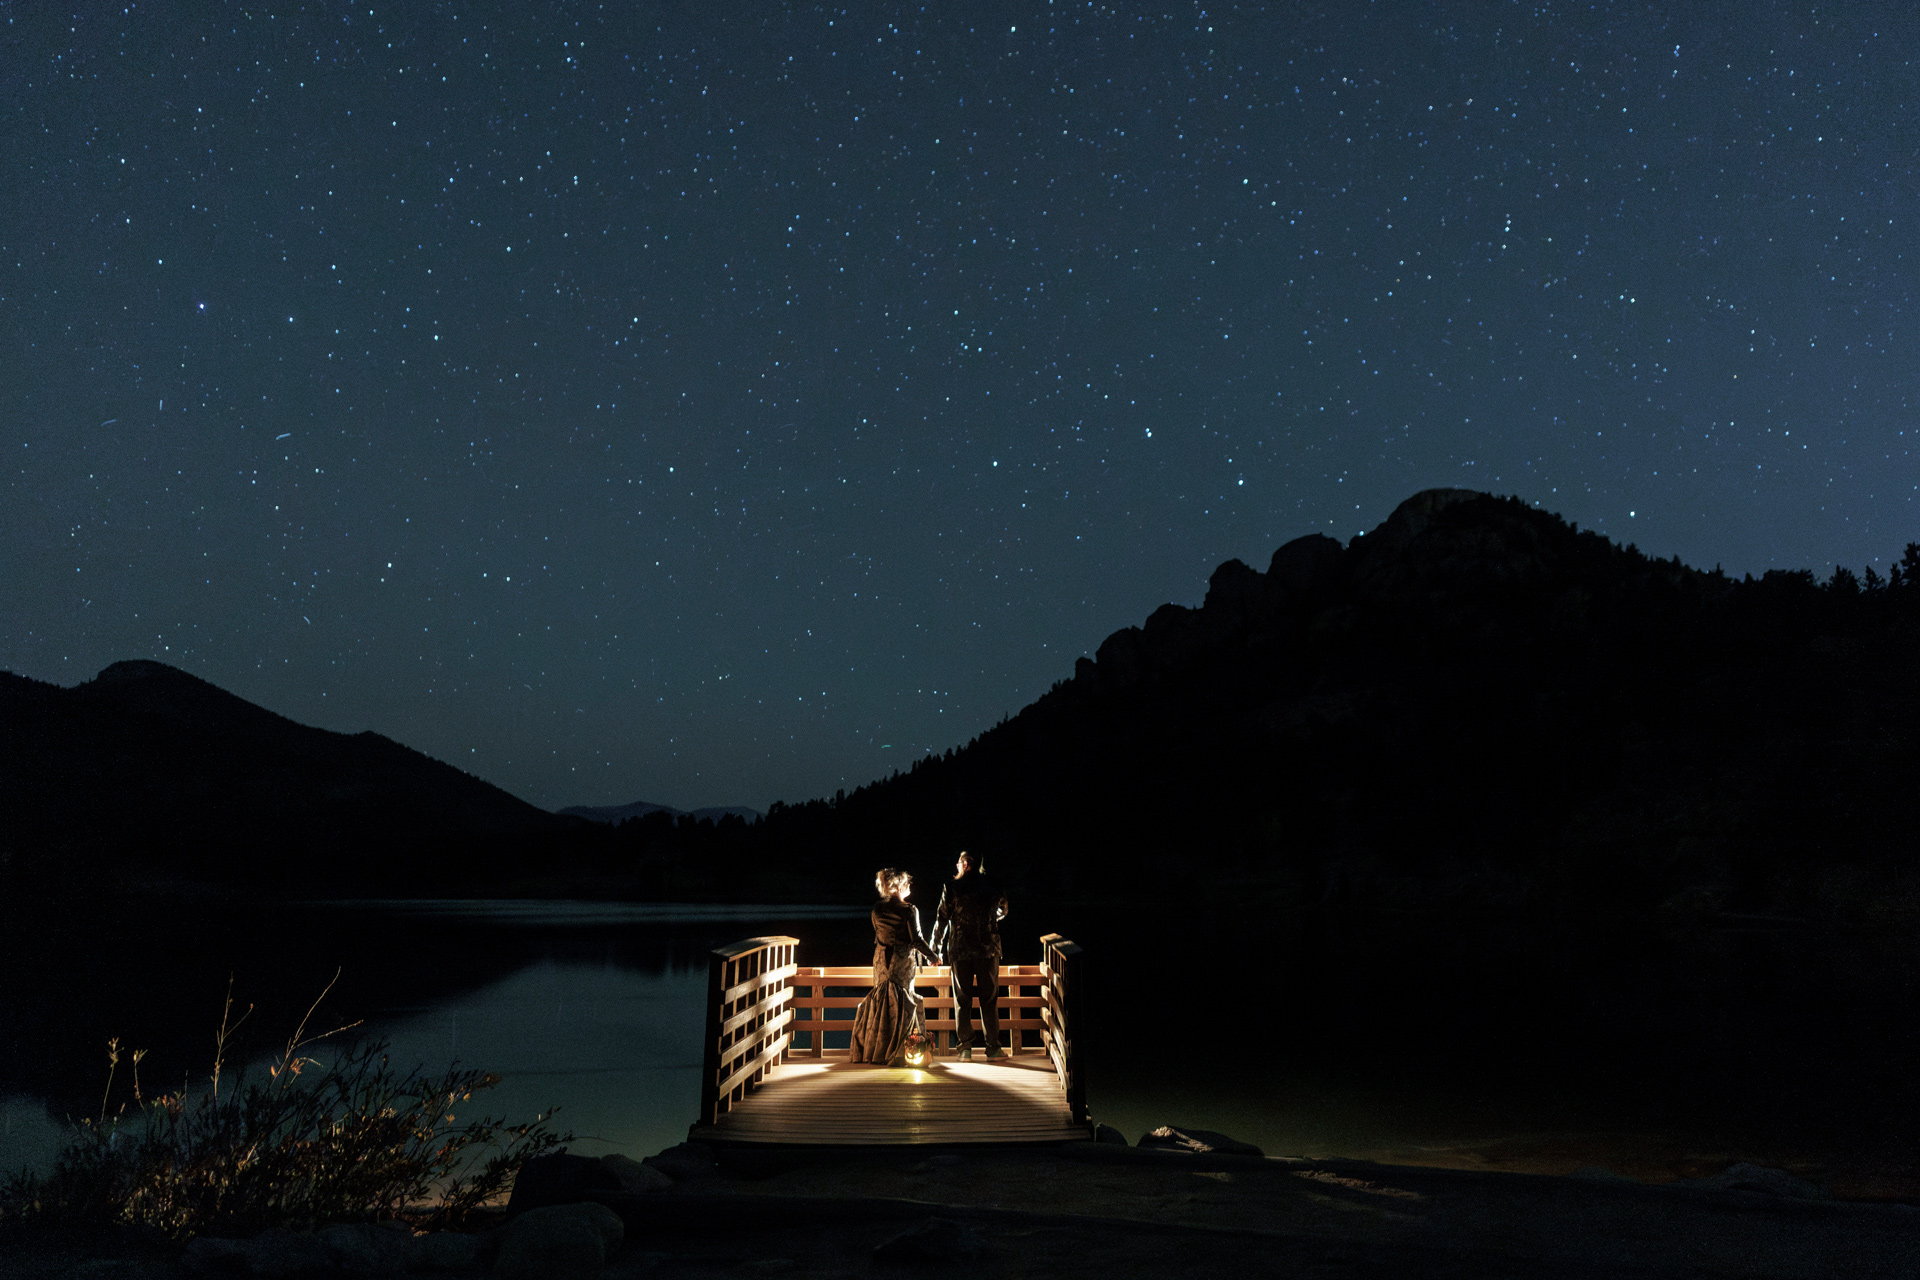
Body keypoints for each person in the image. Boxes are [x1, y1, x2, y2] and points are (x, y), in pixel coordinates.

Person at [849, 867, 938, 1066]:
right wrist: (932, 956)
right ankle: (899, 1051)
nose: (909, 886)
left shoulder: (877, 909)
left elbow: (879, 935)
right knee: (902, 1001)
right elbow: (916, 939)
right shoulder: (909, 910)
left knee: (882, 1000)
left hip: (881, 959)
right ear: (897, 887)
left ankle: (876, 1051)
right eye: (906, 883)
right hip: (901, 960)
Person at [932, 850, 1009, 1060]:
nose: (956, 867)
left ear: (966, 864)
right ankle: (993, 1047)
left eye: (958, 863)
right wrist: (990, 918)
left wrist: (935, 948)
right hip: (988, 949)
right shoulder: (992, 885)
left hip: (960, 950)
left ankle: (965, 1048)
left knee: (962, 999)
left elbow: (941, 919)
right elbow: (1003, 910)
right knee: (989, 999)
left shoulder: (952, 887)